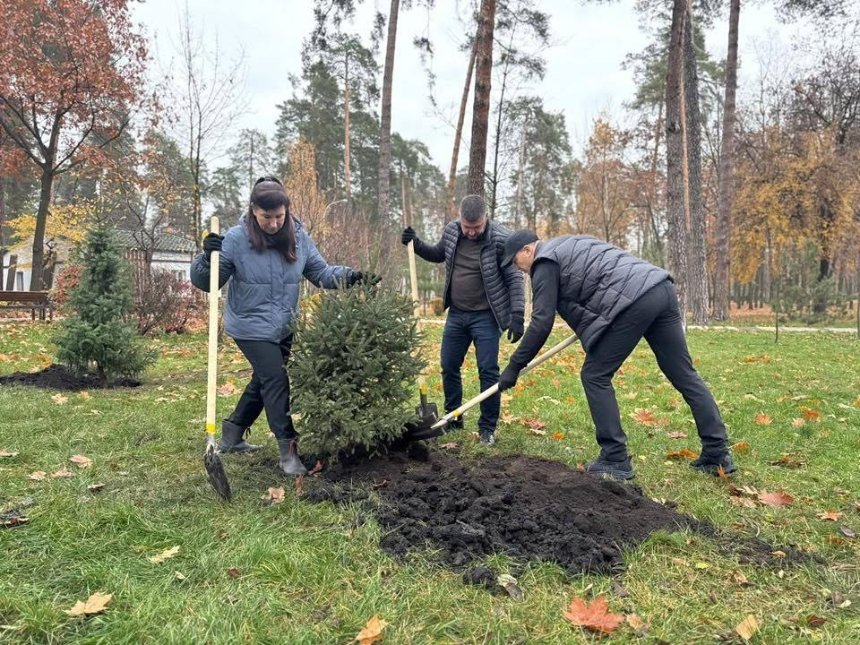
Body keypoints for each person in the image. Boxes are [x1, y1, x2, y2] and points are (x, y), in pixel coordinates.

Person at [497, 230, 735, 480]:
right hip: (660, 288)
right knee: (684, 374)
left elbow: (541, 322)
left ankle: (615, 458)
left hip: (634, 301)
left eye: (515, 262)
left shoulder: (544, 262)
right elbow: (596, 284)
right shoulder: (569, 243)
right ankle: (717, 453)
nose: (519, 269)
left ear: (527, 250)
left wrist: (514, 366)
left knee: (594, 375)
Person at [191, 176, 377, 476]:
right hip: (249, 325)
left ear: (286, 211)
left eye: (280, 216)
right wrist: (206, 257)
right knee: (276, 380)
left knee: (264, 380)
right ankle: (288, 451)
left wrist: (351, 277)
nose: (274, 223)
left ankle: (232, 433)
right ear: (253, 211)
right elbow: (207, 283)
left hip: (284, 324)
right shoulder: (236, 239)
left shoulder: (299, 236)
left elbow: (320, 272)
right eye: (267, 217)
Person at [401, 195, 525, 445]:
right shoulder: (451, 230)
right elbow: (438, 254)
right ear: (459, 219)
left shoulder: (500, 239)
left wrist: (518, 315)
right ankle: (453, 418)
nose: (470, 232)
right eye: (466, 227)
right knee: (448, 365)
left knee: (488, 371)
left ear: (485, 220)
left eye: (476, 227)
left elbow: (514, 278)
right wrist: (415, 243)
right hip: (457, 314)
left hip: (486, 317)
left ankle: (487, 428)